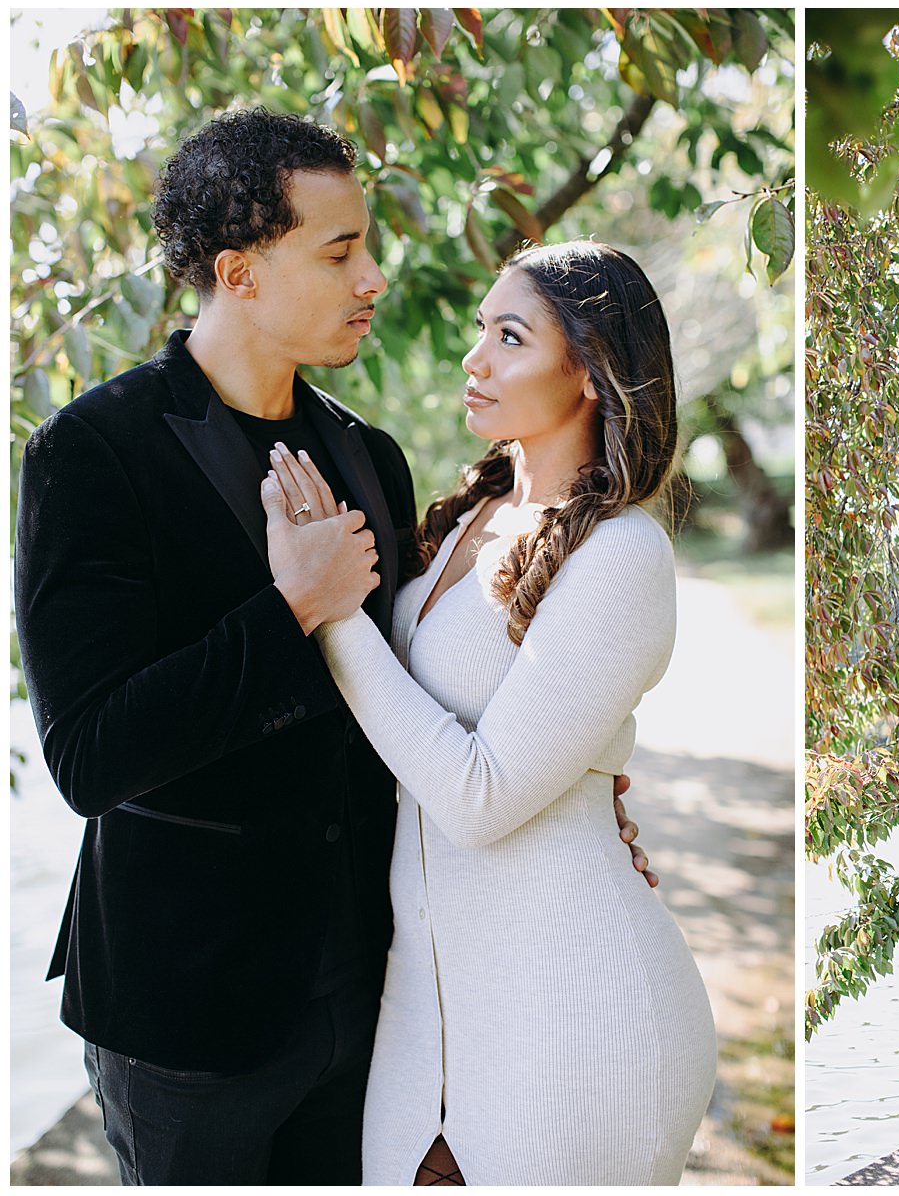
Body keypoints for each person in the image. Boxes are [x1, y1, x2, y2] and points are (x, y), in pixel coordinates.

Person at [13, 108, 651, 1186]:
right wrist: (288, 609)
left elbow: (416, 702)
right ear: (239, 271)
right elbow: (87, 756)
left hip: (367, 996)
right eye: (340, 249)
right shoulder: (90, 453)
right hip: (186, 1014)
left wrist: (584, 792)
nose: (372, 277)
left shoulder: (370, 455)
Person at [258, 240, 718, 1184]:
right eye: (481, 331)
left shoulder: (624, 554)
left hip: (576, 1005)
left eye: (510, 337)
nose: (475, 359)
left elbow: (479, 798)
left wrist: (332, 611)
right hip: (423, 1007)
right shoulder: (475, 515)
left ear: (589, 371)